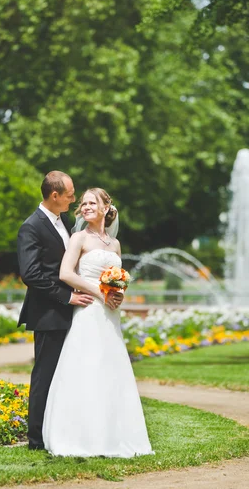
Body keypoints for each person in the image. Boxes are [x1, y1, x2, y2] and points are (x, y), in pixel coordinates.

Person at [43, 188, 153, 457]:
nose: (86, 206)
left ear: (106, 208)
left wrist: (117, 294)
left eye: (93, 202)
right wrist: (99, 293)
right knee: (87, 366)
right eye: (83, 203)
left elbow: (117, 279)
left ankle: (115, 435)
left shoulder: (114, 245)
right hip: (90, 310)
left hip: (109, 314)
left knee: (111, 367)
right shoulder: (79, 238)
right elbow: (66, 273)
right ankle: (80, 436)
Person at [17, 172, 122, 450]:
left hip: (79, 312)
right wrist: (67, 296)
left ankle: (71, 429)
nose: (74, 200)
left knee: (73, 373)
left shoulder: (65, 222)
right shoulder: (32, 226)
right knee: (45, 375)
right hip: (49, 312)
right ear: (55, 196)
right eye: (70, 194)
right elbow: (31, 274)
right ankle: (37, 440)